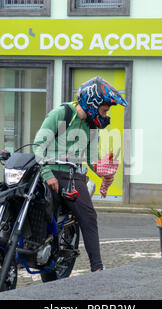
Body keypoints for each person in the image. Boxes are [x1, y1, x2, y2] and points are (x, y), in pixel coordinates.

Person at [33, 76, 128, 272]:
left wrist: (103, 171)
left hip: (71, 176)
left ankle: (97, 268)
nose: (106, 114)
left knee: (89, 216)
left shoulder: (92, 127)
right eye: (104, 109)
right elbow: (38, 146)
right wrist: (47, 172)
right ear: (93, 102)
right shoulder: (61, 113)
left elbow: (92, 160)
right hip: (48, 172)